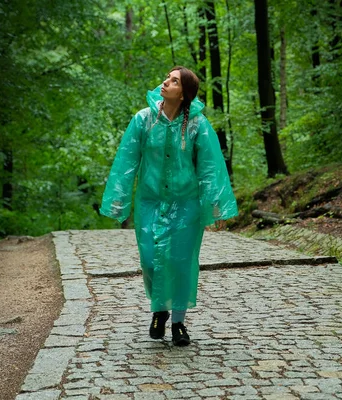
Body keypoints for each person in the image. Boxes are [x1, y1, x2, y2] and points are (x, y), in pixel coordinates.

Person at [99, 66, 238, 346]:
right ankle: (159, 310)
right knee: (151, 260)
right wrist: (118, 200)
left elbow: (210, 168)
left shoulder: (198, 125)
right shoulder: (144, 119)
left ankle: (178, 323)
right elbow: (126, 163)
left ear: (184, 93)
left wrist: (215, 207)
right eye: (167, 77)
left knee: (181, 262)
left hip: (186, 204)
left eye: (173, 81)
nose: (165, 82)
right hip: (150, 202)